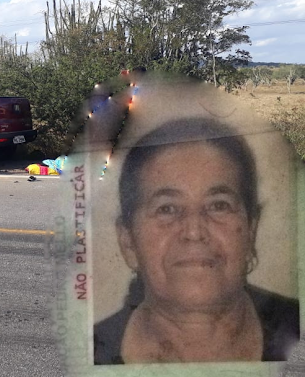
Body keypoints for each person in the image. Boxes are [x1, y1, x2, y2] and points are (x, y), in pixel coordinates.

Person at [93, 117, 300, 364]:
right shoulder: (87, 354)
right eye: (167, 209)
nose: (194, 232)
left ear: (251, 229)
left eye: (218, 205)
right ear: (128, 241)